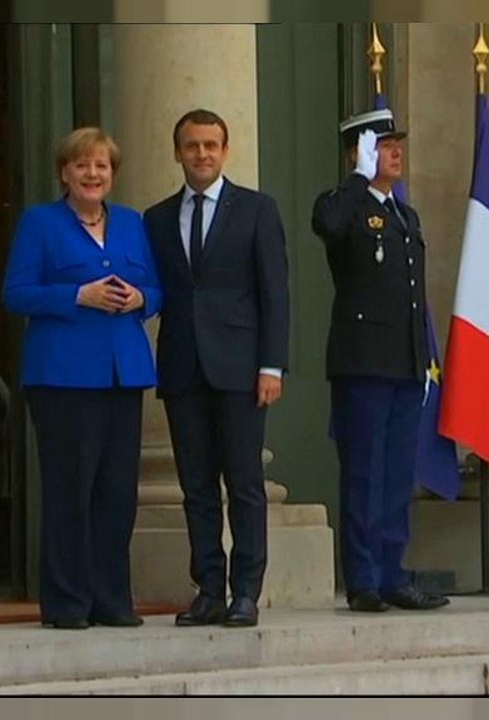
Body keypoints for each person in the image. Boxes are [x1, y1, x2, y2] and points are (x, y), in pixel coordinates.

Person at [2, 127, 162, 629]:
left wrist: (142, 300)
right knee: (71, 489)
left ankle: (112, 600)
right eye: (82, 166)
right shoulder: (40, 223)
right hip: (63, 378)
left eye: (101, 167)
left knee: (117, 493)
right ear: (64, 174)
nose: (92, 174)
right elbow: (16, 293)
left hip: (123, 373)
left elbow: (157, 288)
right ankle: (68, 603)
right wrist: (77, 296)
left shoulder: (133, 224)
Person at [143, 109, 289, 628]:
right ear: (177, 151)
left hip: (241, 369)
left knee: (245, 484)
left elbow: (274, 293)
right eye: (191, 146)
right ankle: (208, 587)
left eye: (210, 145)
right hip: (183, 368)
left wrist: (272, 366)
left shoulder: (256, 209)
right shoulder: (156, 219)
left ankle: (246, 590)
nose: (201, 154)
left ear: (225, 151)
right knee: (197, 487)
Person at [310, 108, 449, 613]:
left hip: (406, 364)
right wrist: (356, 179)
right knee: (364, 474)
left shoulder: (403, 215)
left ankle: (392, 573)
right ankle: (363, 578)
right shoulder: (341, 205)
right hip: (363, 363)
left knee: (395, 476)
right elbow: (327, 224)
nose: (395, 152)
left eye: (396, 145)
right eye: (383, 145)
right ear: (358, 153)